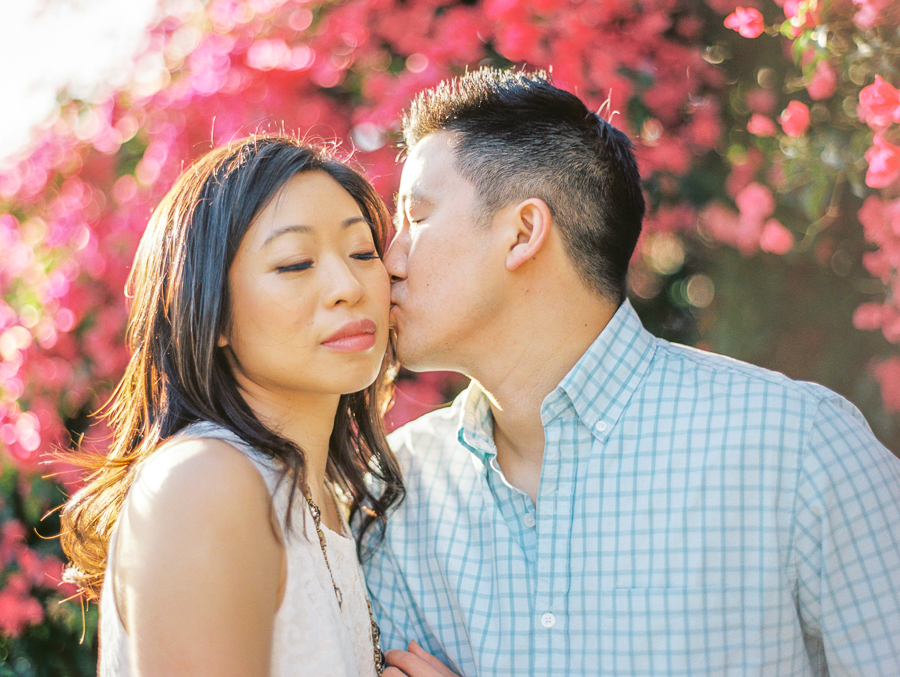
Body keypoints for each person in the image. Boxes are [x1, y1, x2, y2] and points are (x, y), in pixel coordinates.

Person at [363, 67, 900, 677]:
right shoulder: (392, 495)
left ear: (522, 232)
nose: (391, 260)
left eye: (416, 217)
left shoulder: (798, 448)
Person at [60, 135, 403, 677]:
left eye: (363, 253)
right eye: (295, 264)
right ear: (210, 312)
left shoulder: (327, 497)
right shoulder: (205, 480)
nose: (347, 286)